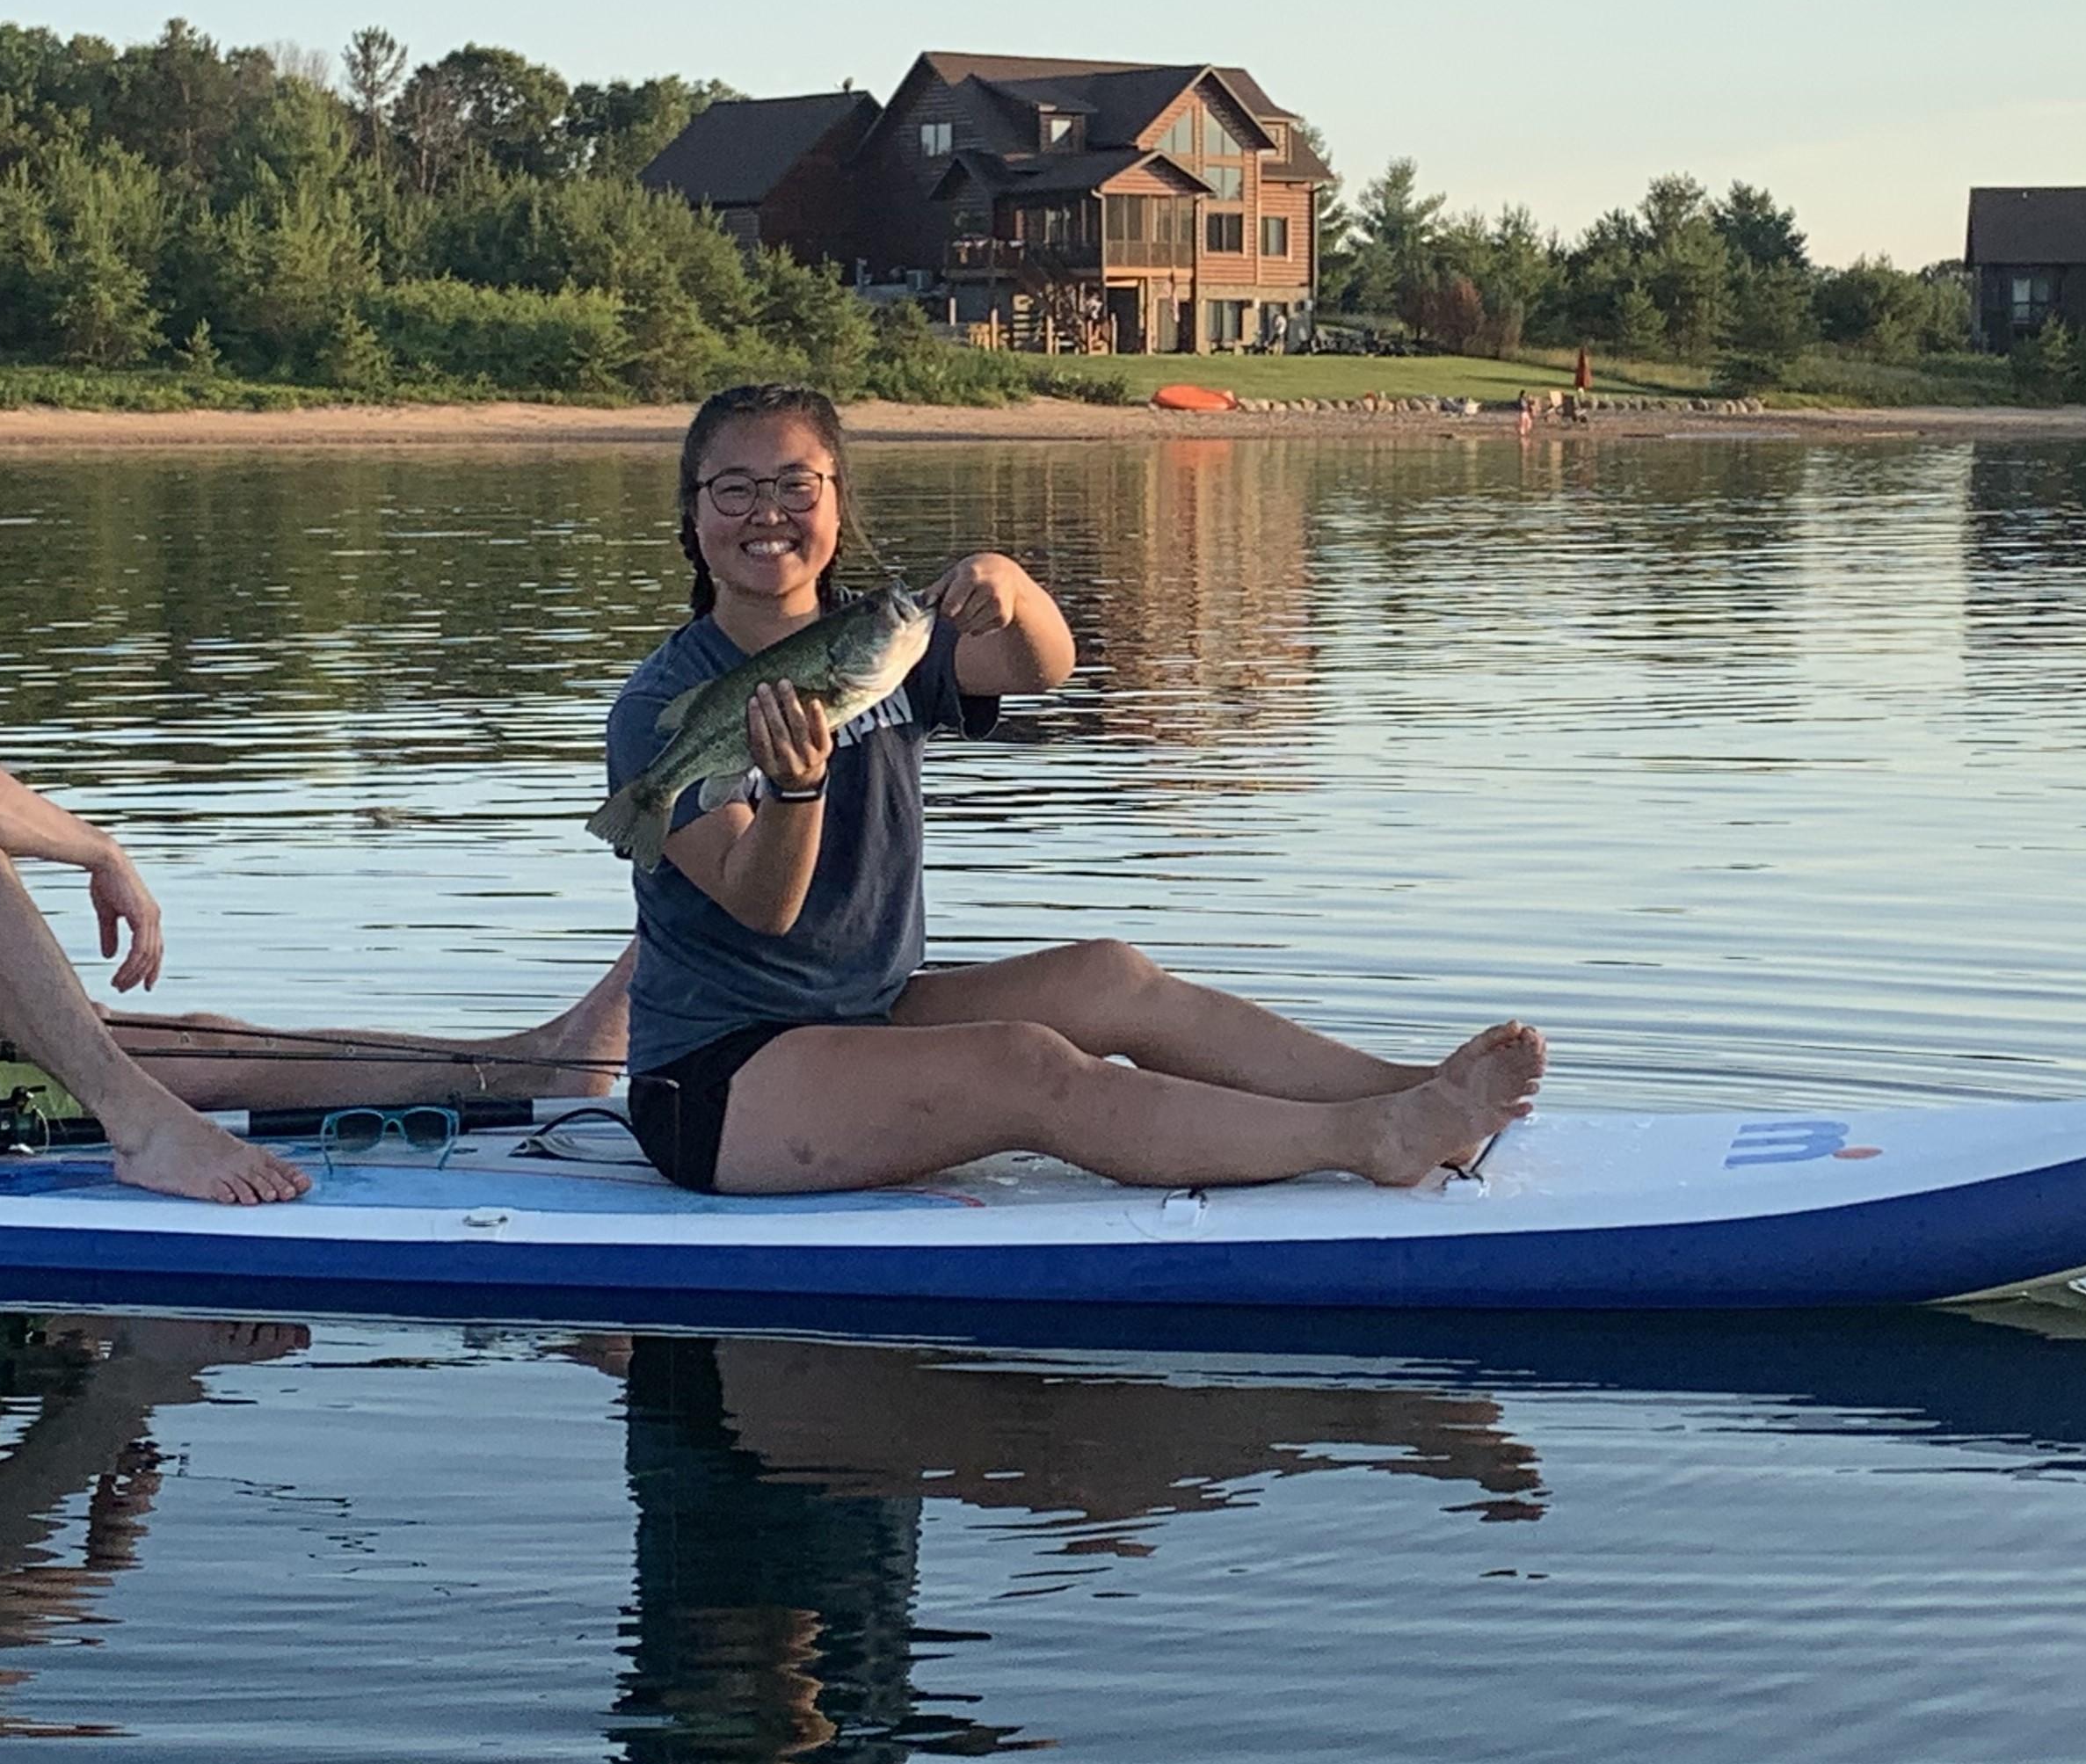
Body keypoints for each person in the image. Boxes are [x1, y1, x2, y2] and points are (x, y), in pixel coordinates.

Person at [603, 382, 1547, 1197]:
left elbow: (1040, 666)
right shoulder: (662, 708)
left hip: (862, 1009)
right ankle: (1371, 1142)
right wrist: (798, 792)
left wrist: (1011, 585)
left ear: (837, 506)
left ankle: (1406, 1091)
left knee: (1110, 975)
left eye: (795, 485)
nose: (767, 510)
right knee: (1025, 1068)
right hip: (720, 1084)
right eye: (734, 488)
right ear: (691, 517)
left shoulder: (879, 646)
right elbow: (764, 907)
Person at [0, 439, 625, 1205]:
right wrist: (99, 849)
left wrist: (85, 1035)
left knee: (202, 1042)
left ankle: (530, 1063)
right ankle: (139, 1128)